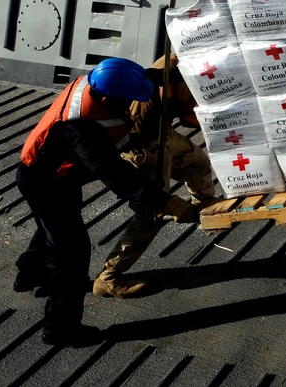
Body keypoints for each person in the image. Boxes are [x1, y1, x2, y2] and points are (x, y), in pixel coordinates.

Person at [14, 58, 199, 347]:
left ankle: (28, 274)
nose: (131, 105)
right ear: (106, 98)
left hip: (59, 176)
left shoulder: (99, 79)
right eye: (126, 101)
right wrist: (167, 203)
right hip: (45, 183)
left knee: (52, 227)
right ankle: (60, 330)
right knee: (71, 253)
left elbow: (143, 76)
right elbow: (120, 178)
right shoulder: (82, 131)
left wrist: (187, 70)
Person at [92, 54, 216, 299]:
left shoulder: (193, 59)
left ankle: (203, 207)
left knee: (196, 162)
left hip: (162, 132)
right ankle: (109, 277)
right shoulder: (169, 67)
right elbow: (187, 116)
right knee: (151, 214)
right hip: (143, 146)